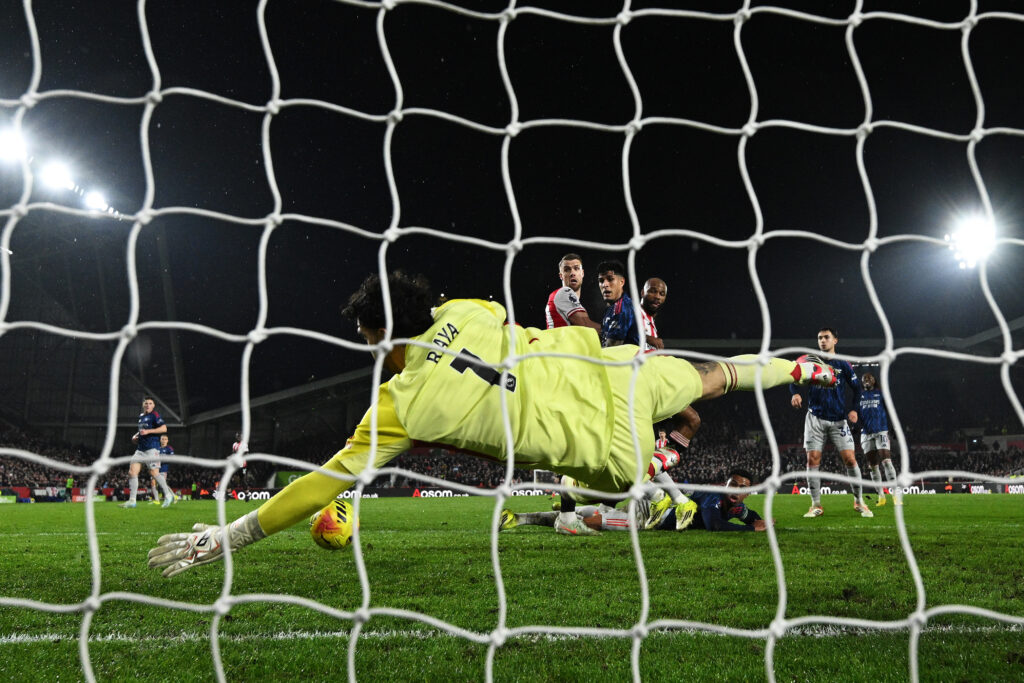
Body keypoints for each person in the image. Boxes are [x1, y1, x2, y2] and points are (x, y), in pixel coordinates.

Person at [148, 271, 837, 577]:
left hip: (604, 448)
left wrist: (231, 535)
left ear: (381, 335)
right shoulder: (466, 310)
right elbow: (465, 313)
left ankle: (655, 476)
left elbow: (323, 482)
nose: (368, 350)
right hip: (616, 369)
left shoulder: (398, 404)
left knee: (602, 490)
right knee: (717, 377)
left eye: (367, 338)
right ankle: (801, 368)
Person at [501, 468, 773, 533]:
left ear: (748, 492)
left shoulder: (737, 506)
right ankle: (574, 512)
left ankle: (521, 518)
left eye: (742, 487)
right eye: (733, 484)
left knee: (589, 514)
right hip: (650, 519)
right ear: (725, 485)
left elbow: (748, 515)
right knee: (595, 522)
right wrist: (751, 529)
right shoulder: (714, 497)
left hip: (650, 509)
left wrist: (761, 521)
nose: (735, 489)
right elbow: (714, 524)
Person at [789, 328, 872, 518]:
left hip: (838, 420)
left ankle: (859, 501)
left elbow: (857, 389)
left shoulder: (843, 363)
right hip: (815, 419)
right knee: (812, 459)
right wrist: (795, 393)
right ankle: (815, 505)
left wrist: (854, 410)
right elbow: (793, 379)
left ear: (835, 340)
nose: (822, 341)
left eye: (826, 337)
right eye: (820, 338)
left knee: (850, 459)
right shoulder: (810, 361)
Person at [120, 397, 174, 509]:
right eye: (146, 403)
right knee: (132, 472)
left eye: (150, 403)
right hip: (140, 450)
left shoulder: (155, 415)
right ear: (143, 405)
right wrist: (135, 436)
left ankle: (168, 495)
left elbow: (164, 428)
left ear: (153, 405)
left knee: (154, 473)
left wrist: (149, 431)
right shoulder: (141, 417)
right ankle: (132, 501)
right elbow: (141, 431)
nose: (148, 405)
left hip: (152, 449)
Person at [856, 372, 900, 507]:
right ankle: (881, 496)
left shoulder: (881, 394)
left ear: (874, 380)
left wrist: (894, 427)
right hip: (866, 433)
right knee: (873, 465)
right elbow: (855, 413)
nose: (866, 380)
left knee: (886, 461)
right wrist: (855, 426)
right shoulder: (859, 396)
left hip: (881, 430)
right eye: (864, 379)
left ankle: (895, 495)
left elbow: (890, 410)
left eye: (869, 378)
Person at [544, 253, 601, 330]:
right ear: (561, 276)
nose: (572, 273)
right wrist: (611, 330)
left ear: (582, 273)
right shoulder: (563, 292)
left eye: (576, 268)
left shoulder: (570, 301)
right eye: (567, 270)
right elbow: (586, 325)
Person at [597, 260, 641, 348]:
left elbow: (611, 349)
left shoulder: (623, 309)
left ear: (622, 282)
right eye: (601, 281)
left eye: (610, 279)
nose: (605, 284)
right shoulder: (611, 307)